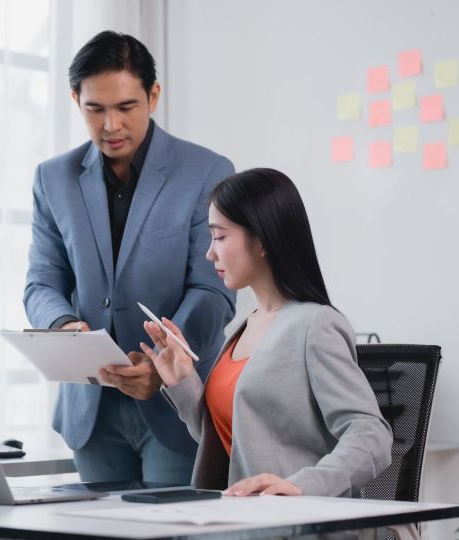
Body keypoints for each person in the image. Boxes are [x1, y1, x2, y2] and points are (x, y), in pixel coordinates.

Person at [23, 30, 235, 485]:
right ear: (75, 99)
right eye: (94, 109)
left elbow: (213, 288)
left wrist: (163, 365)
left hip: (177, 404)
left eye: (125, 107)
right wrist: (65, 328)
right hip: (92, 408)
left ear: (153, 96)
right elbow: (42, 282)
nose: (110, 126)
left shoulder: (206, 172)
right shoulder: (53, 178)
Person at [130, 168, 393, 497]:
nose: (210, 253)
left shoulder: (315, 325)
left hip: (293, 525)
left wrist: (302, 485)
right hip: (234, 516)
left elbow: (371, 435)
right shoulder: (245, 326)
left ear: (263, 240)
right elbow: (237, 439)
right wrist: (182, 379)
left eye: (220, 236)